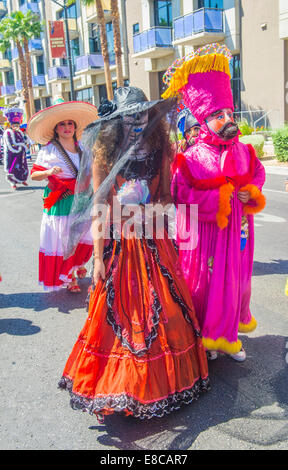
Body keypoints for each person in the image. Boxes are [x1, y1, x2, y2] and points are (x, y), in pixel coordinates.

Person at [58, 86, 210, 420]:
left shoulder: (162, 149)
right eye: (130, 115)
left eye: (141, 113)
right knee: (125, 321)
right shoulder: (104, 154)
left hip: (154, 240)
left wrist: (154, 210)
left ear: (150, 114)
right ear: (117, 120)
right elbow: (99, 206)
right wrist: (98, 257)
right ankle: (123, 386)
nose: (136, 120)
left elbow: (168, 196)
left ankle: (164, 382)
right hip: (120, 244)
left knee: (166, 312)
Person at [163, 44, 266, 361]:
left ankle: (230, 334)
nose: (227, 120)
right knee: (207, 286)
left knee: (236, 283)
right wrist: (218, 200)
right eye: (219, 115)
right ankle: (207, 336)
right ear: (203, 120)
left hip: (239, 233)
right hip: (208, 237)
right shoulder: (190, 157)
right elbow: (181, 196)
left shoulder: (244, 150)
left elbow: (258, 175)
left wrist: (252, 192)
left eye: (229, 114)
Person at [27, 98, 98, 293]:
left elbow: (92, 169)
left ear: (75, 127)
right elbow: (34, 174)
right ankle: (70, 277)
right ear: (56, 129)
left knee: (86, 233)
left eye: (70, 124)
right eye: (62, 124)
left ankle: (77, 264)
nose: (67, 127)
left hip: (82, 196)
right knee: (64, 237)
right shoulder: (48, 149)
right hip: (61, 199)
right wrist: (49, 173)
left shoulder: (83, 147)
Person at [3, 107, 28, 189]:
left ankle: (22, 180)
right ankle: (13, 183)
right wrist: (19, 147)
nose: (16, 126)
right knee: (12, 168)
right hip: (12, 154)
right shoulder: (8, 132)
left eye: (17, 125)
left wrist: (25, 144)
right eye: (14, 125)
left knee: (22, 167)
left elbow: (24, 141)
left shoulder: (20, 132)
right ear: (11, 125)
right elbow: (10, 144)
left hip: (20, 154)